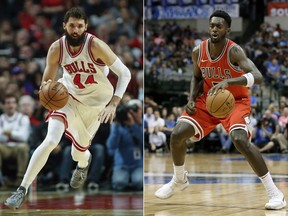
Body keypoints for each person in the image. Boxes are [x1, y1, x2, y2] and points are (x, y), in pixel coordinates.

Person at [154, 10, 286, 210]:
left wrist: (229, 81)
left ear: (227, 30)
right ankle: (179, 179)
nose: (215, 29)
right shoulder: (198, 51)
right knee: (177, 134)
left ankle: (274, 192)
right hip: (208, 100)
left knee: (240, 140)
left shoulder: (234, 51)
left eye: (219, 26)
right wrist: (191, 99)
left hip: (236, 101)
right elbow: (197, 78)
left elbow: (257, 76)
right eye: (212, 25)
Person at [4, 7, 131, 209]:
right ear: (64, 25)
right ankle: (22, 189)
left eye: (80, 26)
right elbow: (47, 81)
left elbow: (125, 74)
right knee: (51, 139)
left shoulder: (96, 46)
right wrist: (46, 91)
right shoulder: (56, 48)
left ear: (85, 27)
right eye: (71, 25)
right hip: (68, 97)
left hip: (95, 105)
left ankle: (83, 164)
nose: (75, 30)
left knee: (78, 154)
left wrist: (114, 104)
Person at [106, 99, 143, 191]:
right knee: (119, 183)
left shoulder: (142, 124)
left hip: (138, 164)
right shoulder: (118, 125)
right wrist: (115, 126)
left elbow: (143, 142)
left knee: (139, 182)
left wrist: (134, 125)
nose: (134, 113)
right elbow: (111, 146)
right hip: (122, 163)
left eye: (136, 110)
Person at [0, 94, 30, 187]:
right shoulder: (1, 118)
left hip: (18, 147)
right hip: (4, 147)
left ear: (16, 105)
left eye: (13, 103)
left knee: (23, 147)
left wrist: (9, 133)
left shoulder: (23, 118)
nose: (10, 105)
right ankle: (1, 178)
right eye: (8, 103)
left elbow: (24, 137)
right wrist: (16, 133)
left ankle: (20, 179)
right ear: (4, 105)